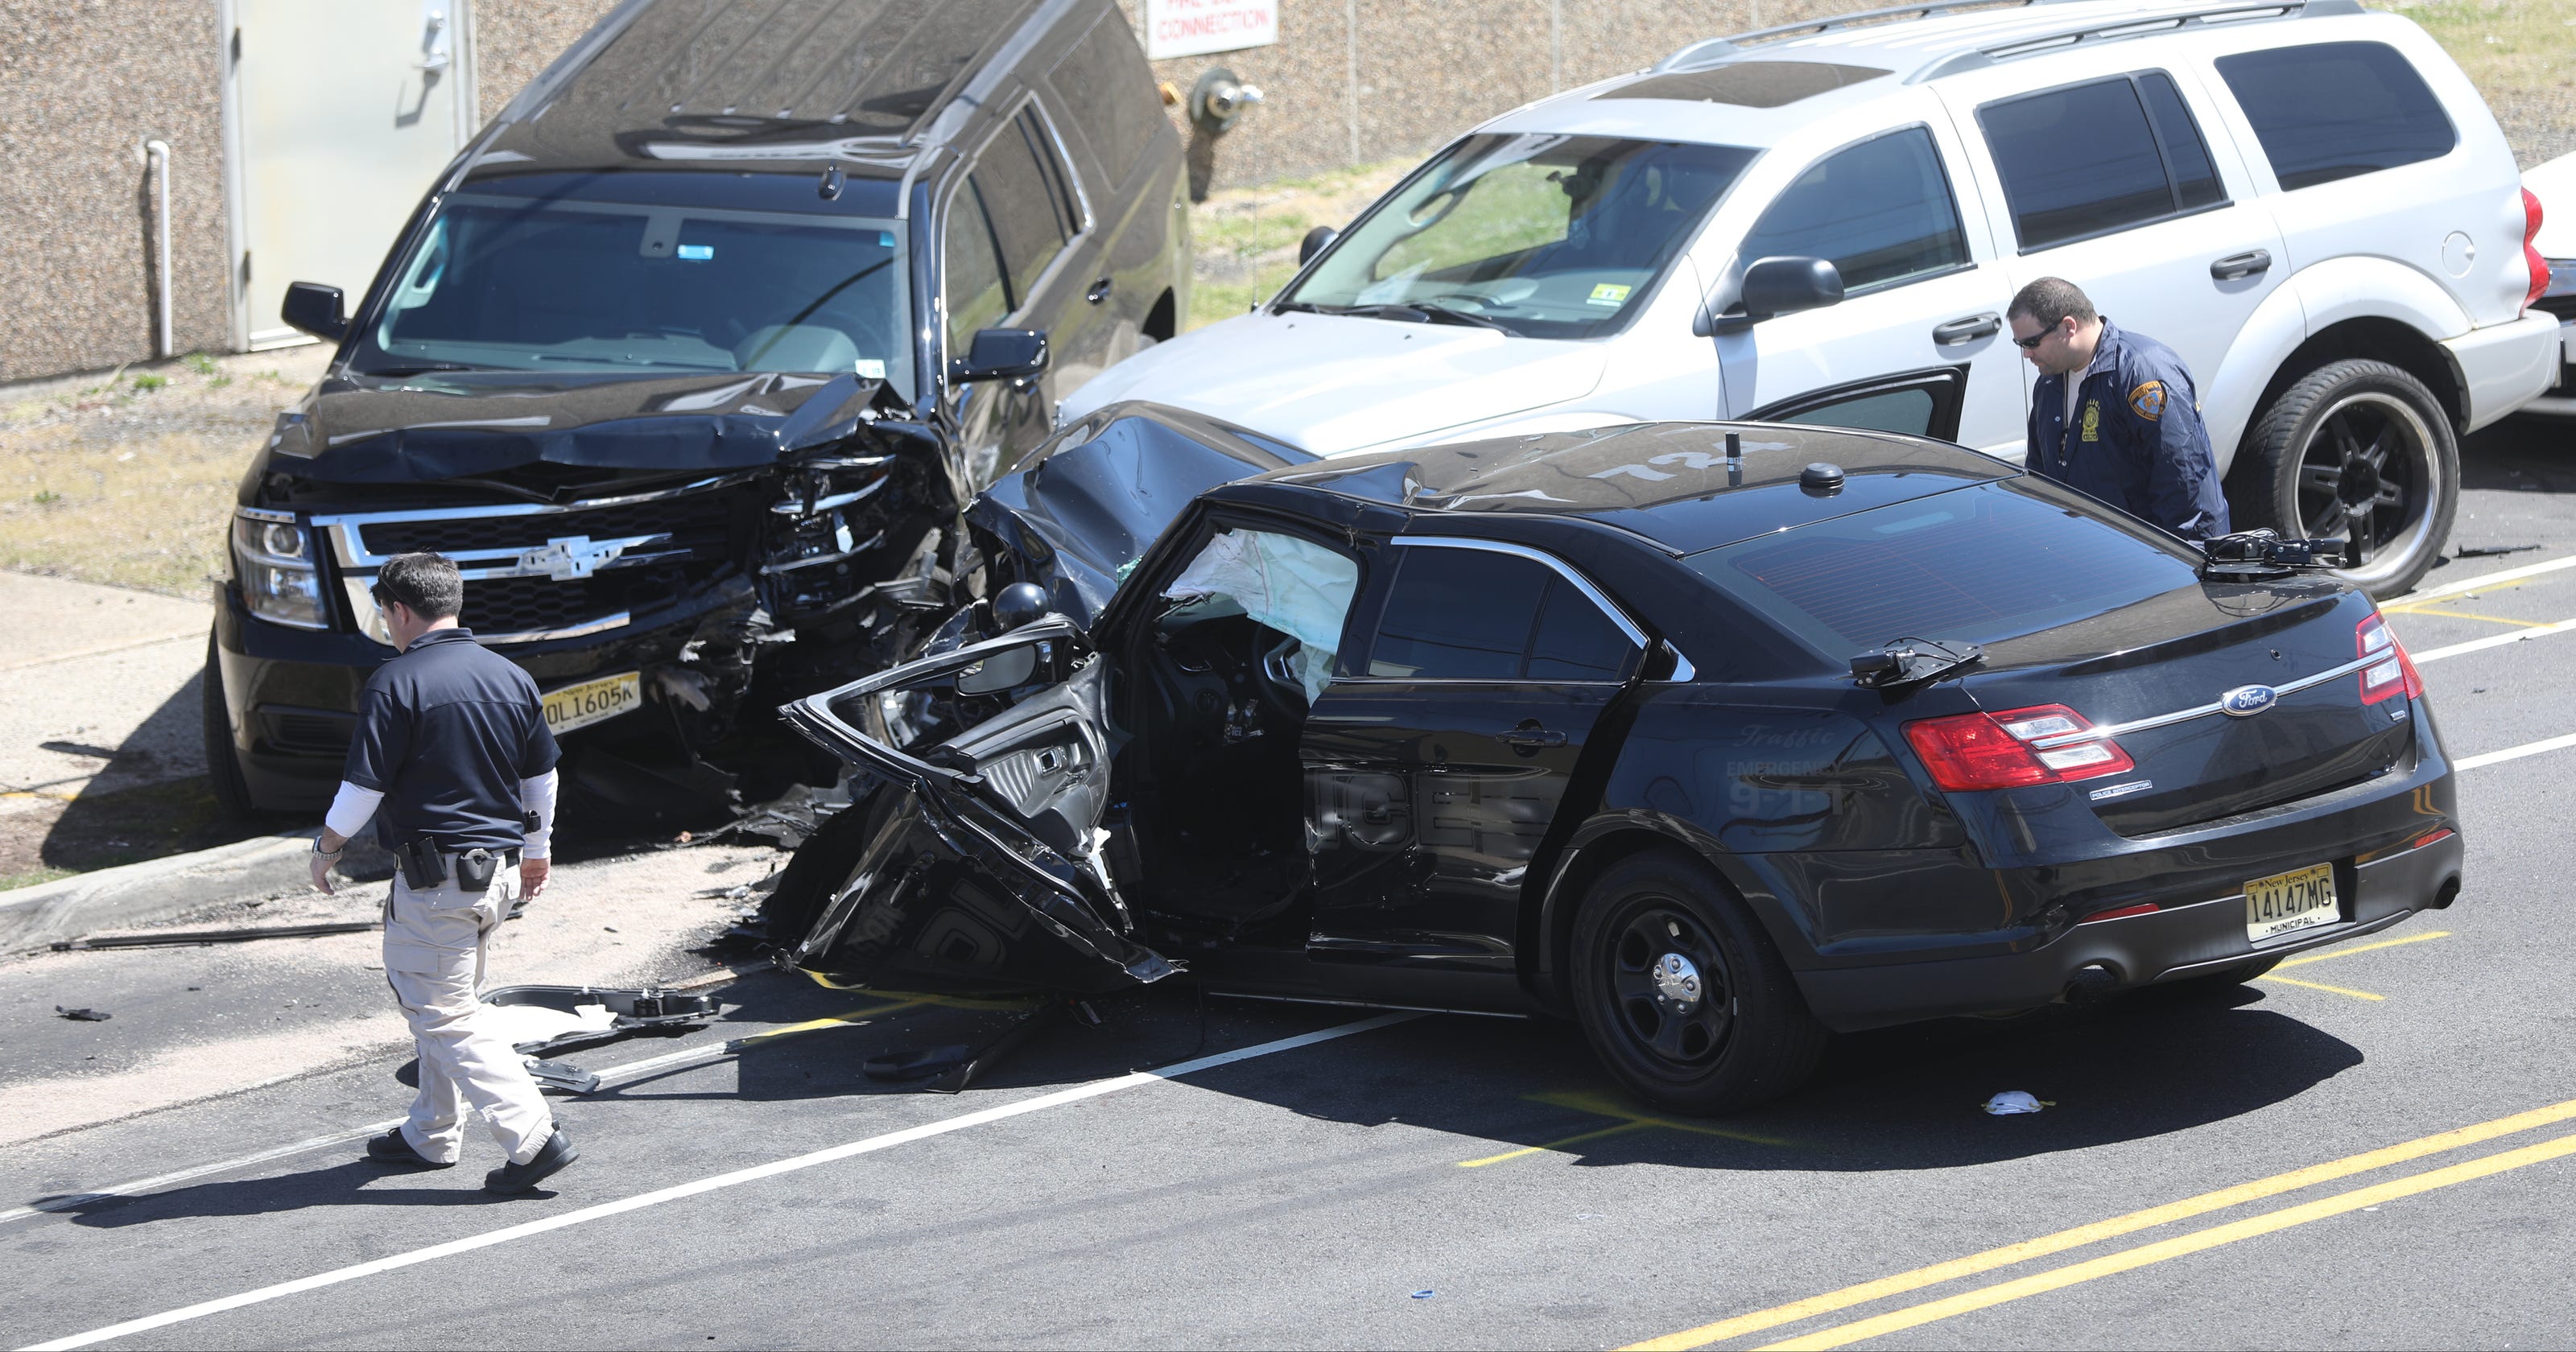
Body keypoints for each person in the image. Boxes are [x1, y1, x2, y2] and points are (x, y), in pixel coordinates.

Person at [310, 552, 576, 1195]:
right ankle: (430, 1132)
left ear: (402, 609)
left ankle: (532, 1137)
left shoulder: (396, 682)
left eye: (385, 612)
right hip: (500, 876)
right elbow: (540, 778)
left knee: (442, 1010)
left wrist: (327, 847)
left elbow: (362, 784)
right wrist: (537, 851)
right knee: (449, 999)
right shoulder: (509, 676)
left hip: (439, 881)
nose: (387, 625)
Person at [2008, 277, 2231, 540]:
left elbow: (2181, 478)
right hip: (2105, 554)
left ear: (2068, 327)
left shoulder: (2143, 372)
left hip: (2166, 552)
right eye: (2020, 345)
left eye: (2031, 343)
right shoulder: (2048, 384)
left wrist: (2173, 561)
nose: (2026, 354)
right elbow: (2040, 475)